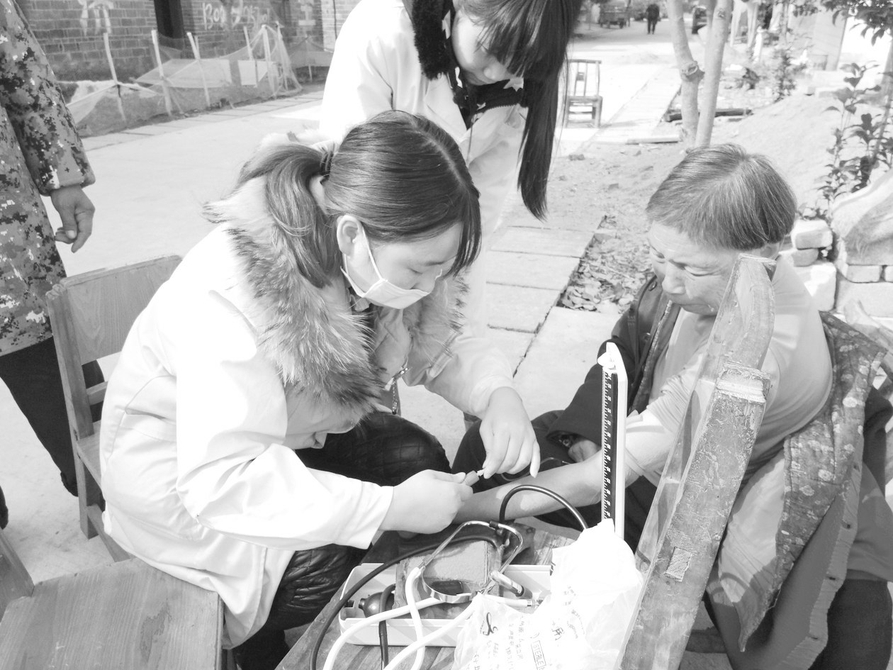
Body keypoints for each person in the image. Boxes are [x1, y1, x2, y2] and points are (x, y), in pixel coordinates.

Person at [98, 110, 538, 670]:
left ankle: (381, 611)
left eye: (440, 271)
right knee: (332, 560)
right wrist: (387, 507)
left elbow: (441, 341)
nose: (429, 287)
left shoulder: (376, 235)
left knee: (416, 457)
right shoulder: (230, 289)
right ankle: (260, 651)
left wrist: (498, 396)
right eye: (418, 272)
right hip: (181, 480)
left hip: (287, 434)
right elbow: (222, 478)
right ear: (351, 233)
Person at [453, 144, 893, 669]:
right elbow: (630, 346)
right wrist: (596, 433)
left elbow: (598, 479)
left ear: (766, 250)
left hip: (702, 502)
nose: (667, 281)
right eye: (658, 256)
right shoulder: (737, 282)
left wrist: (457, 508)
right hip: (663, 457)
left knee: (487, 477)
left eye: (688, 267)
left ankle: (460, 582)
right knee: (502, 446)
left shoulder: (749, 359)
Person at [0, 0, 101, 529]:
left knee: (43, 347)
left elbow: (21, 70)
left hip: (5, 230)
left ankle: (114, 488)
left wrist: (64, 177)